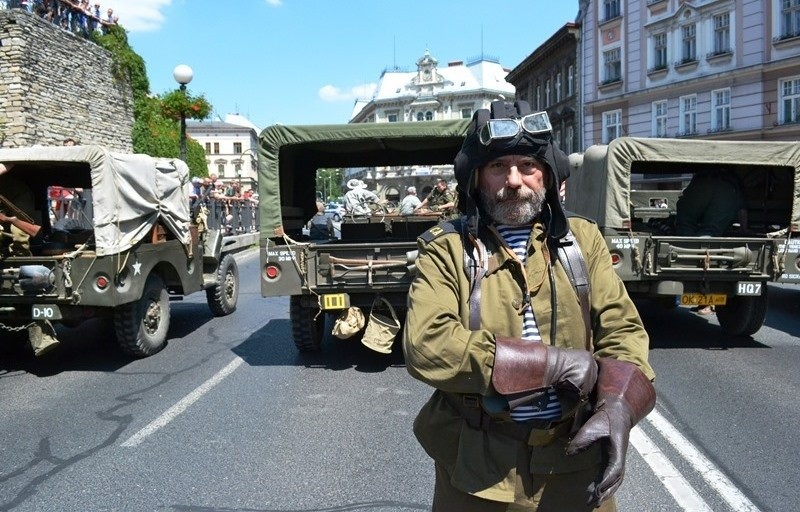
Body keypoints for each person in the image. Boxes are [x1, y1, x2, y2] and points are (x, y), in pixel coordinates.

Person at [403, 100, 656, 511]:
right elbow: (427, 344)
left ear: (548, 174)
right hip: (478, 472)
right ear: (478, 178)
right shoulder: (446, 249)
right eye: (499, 167)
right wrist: (552, 364)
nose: (515, 180)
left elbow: (623, 330)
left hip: (574, 464)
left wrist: (617, 404)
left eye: (527, 165)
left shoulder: (583, 242)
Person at [675, 168, 747, 314]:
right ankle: (705, 299)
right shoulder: (736, 177)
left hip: (701, 183)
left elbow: (685, 203)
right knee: (710, 233)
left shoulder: (705, 172)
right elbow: (742, 209)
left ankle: (683, 256)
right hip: (727, 190)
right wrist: (744, 231)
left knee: (685, 222)